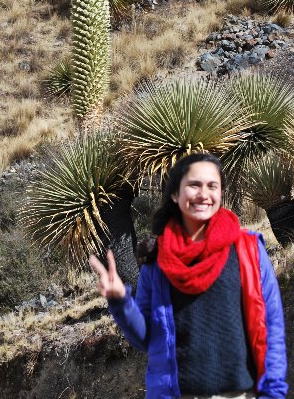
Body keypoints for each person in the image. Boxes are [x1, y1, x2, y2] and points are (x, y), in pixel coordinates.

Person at [89, 153, 288, 399]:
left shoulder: (248, 249)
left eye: (212, 186)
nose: (204, 194)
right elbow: (146, 338)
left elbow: (272, 326)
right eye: (194, 185)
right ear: (175, 194)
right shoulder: (157, 259)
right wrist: (121, 301)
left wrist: (274, 392)